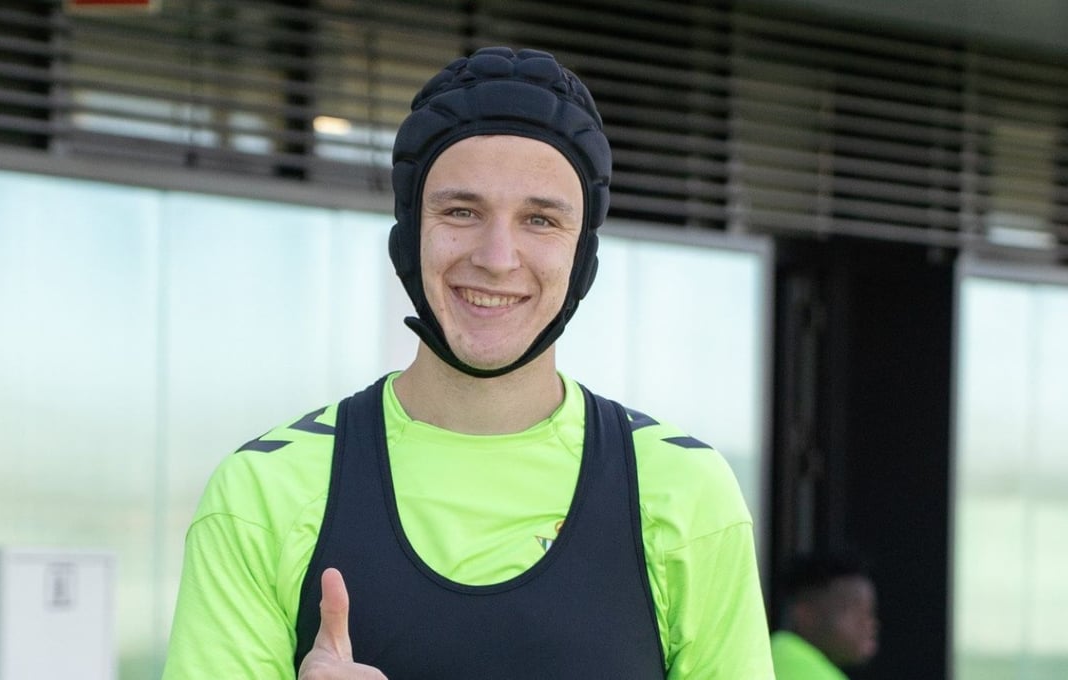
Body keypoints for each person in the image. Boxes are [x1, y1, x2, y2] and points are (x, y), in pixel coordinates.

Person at [162, 46, 773, 679]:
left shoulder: (681, 490)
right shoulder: (265, 491)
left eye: (540, 219)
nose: (497, 257)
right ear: (408, 235)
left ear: (582, 255)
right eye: (461, 212)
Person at [771, 552, 879, 680]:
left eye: (869, 613)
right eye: (853, 611)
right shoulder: (791, 665)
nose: (869, 623)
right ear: (806, 614)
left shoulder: (768, 654)